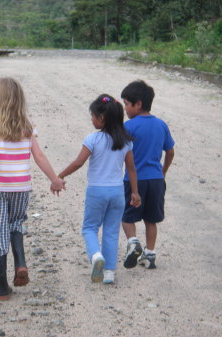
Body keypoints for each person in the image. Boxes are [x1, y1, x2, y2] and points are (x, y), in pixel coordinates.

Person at [0, 77, 65, 300]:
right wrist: (54, 179)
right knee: (16, 223)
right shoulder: (27, 125)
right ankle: (21, 263)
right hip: (21, 187)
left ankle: (1, 288)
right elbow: (39, 157)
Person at [57, 94, 141, 284]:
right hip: (118, 192)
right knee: (111, 231)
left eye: (93, 116)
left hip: (97, 191)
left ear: (101, 118)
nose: (92, 119)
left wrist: (60, 176)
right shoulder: (126, 141)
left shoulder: (92, 139)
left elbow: (79, 162)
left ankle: (96, 256)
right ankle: (109, 273)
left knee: (89, 227)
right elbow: (131, 168)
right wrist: (135, 192)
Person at [120, 80, 175, 269]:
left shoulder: (129, 127)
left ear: (138, 104)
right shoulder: (161, 125)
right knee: (151, 219)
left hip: (135, 181)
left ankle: (133, 243)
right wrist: (163, 170)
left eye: (127, 104)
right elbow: (170, 151)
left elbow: (122, 154)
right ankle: (150, 255)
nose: (126, 108)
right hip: (156, 180)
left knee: (127, 216)